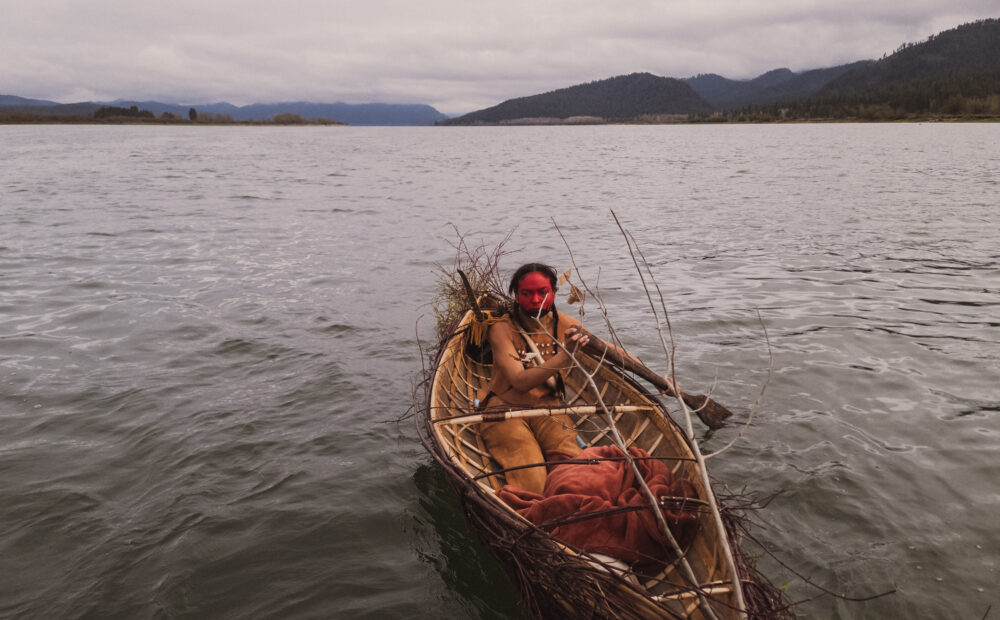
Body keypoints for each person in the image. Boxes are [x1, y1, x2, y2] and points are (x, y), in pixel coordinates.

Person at [478, 263, 591, 494]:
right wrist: (567, 354)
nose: (535, 299)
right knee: (533, 481)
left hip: (549, 408)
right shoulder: (501, 329)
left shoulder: (568, 326)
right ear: (516, 296)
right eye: (526, 293)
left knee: (579, 474)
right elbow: (519, 381)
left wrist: (662, 380)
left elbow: (612, 351)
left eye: (543, 292)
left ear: (554, 293)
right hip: (504, 411)